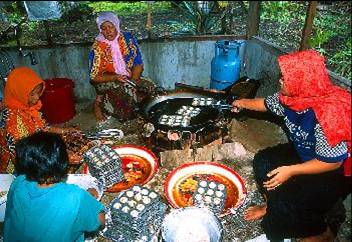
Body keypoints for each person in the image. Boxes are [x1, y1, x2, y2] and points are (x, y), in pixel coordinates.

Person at [231, 50, 351, 241]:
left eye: (285, 78)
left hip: (331, 171)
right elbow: (265, 104)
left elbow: (333, 163)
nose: (280, 80)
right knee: (264, 161)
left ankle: (322, 232)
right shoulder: (291, 98)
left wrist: (291, 170)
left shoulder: (328, 115)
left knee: (288, 200)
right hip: (307, 153)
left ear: (301, 83)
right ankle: (270, 207)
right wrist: (241, 102)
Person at [3, 131, 105, 242]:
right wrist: (89, 197)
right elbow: (100, 220)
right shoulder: (75, 196)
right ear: (63, 162)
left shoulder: (18, 181)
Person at [0, 66, 82, 173]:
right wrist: (61, 157)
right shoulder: (13, 122)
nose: (37, 98)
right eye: (32, 94)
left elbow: (41, 127)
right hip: (19, 169)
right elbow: (26, 157)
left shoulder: (26, 107)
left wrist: (66, 130)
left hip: (32, 152)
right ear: (18, 92)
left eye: (38, 92)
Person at [89, 11, 156, 123]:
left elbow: (138, 63)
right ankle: (98, 103)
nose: (108, 31)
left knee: (150, 88)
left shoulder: (127, 39)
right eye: (104, 28)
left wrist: (134, 81)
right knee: (127, 103)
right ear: (100, 30)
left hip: (128, 76)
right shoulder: (97, 48)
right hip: (108, 79)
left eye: (111, 27)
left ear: (116, 25)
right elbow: (93, 77)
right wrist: (115, 77)